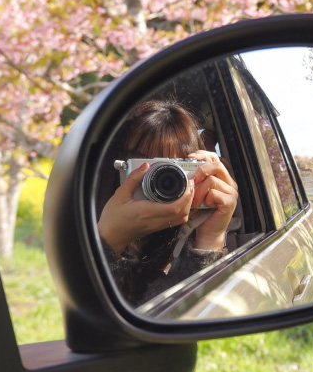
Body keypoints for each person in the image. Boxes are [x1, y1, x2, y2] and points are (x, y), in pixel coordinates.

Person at [95, 98, 239, 306]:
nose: (161, 181)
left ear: (194, 174)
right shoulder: (84, 216)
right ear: (118, 167)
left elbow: (191, 312)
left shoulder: (183, 241)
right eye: (146, 164)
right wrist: (109, 237)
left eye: (174, 168)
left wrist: (210, 236)